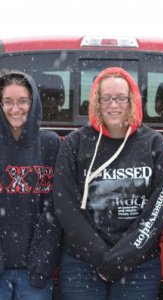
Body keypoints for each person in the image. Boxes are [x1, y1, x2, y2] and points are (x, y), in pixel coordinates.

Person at [53, 67, 163, 300]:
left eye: (120, 98)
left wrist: (124, 255)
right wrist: (100, 256)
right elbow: (65, 204)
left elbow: (158, 207)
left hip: (139, 263)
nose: (113, 105)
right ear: (96, 101)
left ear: (133, 100)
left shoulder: (153, 144)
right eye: (106, 98)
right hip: (82, 262)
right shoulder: (76, 143)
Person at [0, 70, 61, 299]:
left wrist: (42, 261)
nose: (15, 109)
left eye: (23, 101)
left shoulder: (50, 144)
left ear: (33, 102)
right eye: (8, 102)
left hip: (35, 273)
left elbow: (56, 209)